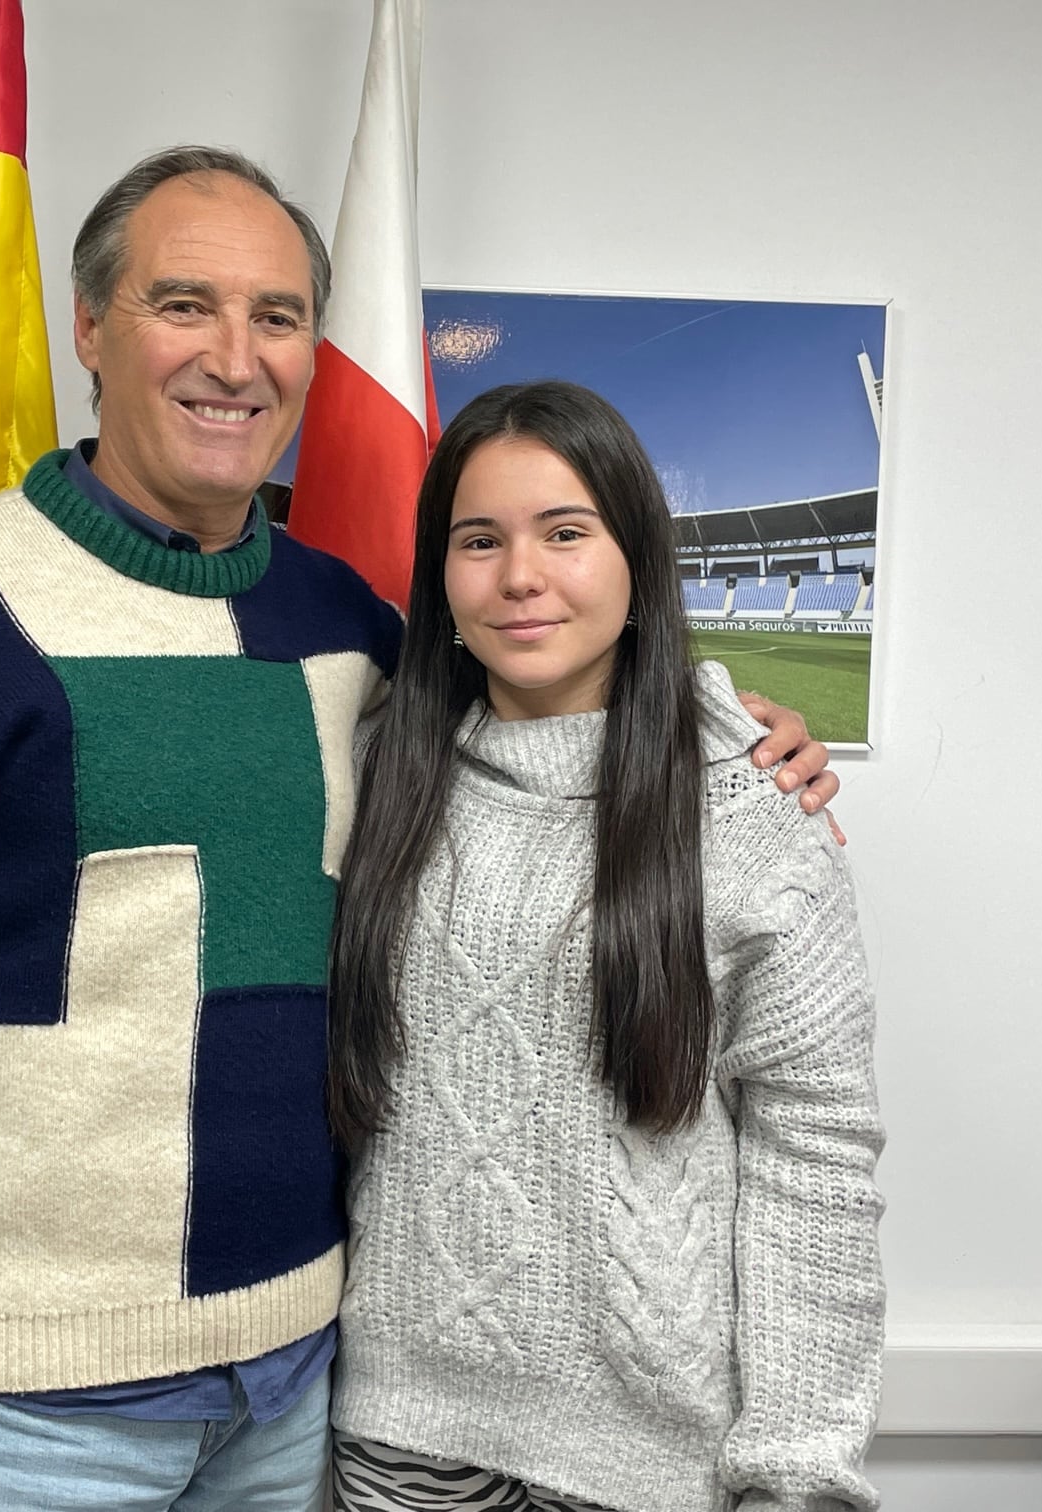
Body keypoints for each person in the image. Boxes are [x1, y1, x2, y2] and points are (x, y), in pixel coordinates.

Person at [0, 147, 838, 1512]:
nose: (235, 357)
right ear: (89, 326)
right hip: (22, 1422)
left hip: (301, 1394)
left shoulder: (353, 630)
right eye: (183, 304)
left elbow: (552, 702)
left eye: (277, 316)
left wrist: (729, 727)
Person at [327, 381, 884, 1512]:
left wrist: (800, 1465)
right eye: (479, 540)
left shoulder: (753, 808)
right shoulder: (371, 766)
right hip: (399, 1438)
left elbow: (815, 1159)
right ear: (440, 575)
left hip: (651, 1460)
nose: (520, 576)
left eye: (566, 533)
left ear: (638, 561)